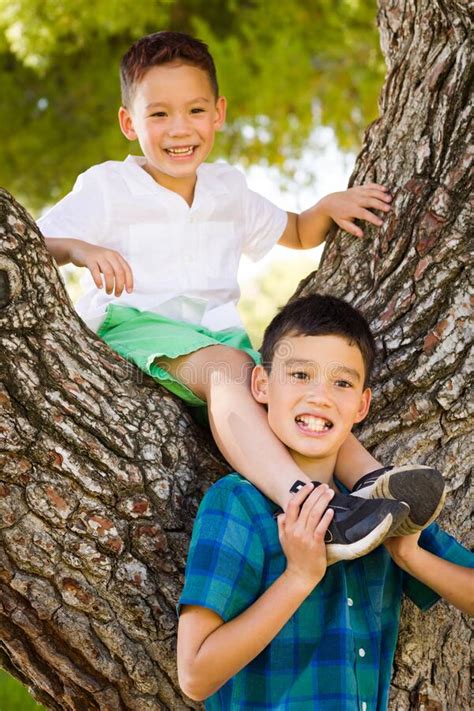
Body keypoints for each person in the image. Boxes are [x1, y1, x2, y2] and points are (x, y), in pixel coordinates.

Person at [39, 31, 444, 560]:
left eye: (195, 110)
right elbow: (34, 241)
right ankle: (304, 501)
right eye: (158, 115)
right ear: (128, 123)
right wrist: (84, 249)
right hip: (139, 324)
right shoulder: (108, 187)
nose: (179, 129)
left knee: (286, 384)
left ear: (219, 113)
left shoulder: (227, 189)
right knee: (232, 369)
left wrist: (326, 206)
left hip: (215, 331)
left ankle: (374, 482)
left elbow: (296, 231)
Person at [177, 293, 474, 709]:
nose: (320, 396)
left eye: (342, 383)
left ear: (361, 405)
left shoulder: (378, 506)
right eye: (300, 375)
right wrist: (298, 577)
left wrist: (410, 556)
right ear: (261, 385)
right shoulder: (238, 504)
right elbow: (194, 675)